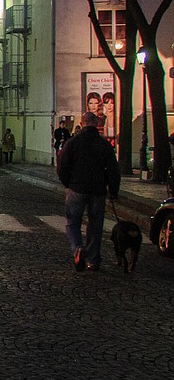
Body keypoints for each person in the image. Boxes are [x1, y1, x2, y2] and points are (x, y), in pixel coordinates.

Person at [57, 110, 120, 271]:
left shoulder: (73, 142)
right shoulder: (103, 144)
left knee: (73, 223)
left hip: (77, 188)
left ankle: (77, 247)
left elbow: (62, 165)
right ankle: (93, 259)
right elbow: (113, 169)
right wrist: (113, 191)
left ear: (83, 123)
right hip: (98, 190)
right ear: (96, 124)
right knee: (96, 224)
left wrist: (67, 183)